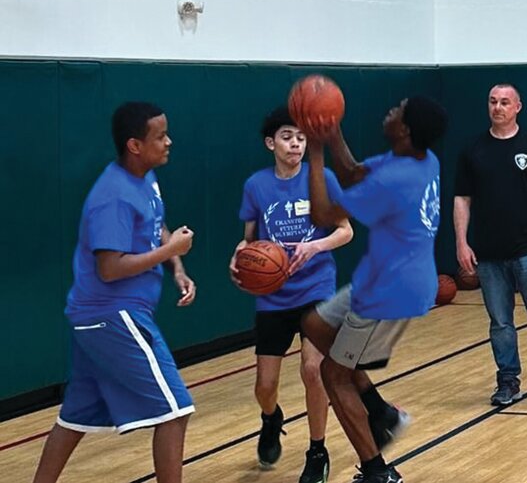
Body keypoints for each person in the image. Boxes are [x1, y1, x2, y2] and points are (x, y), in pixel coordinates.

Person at [32, 102, 197, 483]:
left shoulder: (146, 179)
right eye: (160, 136)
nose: (169, 141)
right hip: (112, 314)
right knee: (175, 410)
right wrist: (170, 251)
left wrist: (177, 268)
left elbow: (155, 223)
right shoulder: (113, 196)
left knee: (73, 418)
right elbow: (110, 269)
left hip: (95, 320)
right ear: (135, 145)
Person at [300, 95, 448, 483]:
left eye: (397, 110)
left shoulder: (394, 178)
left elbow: (324, 215)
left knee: (333, 374)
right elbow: (350, 173)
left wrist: (314, 154)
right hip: (384, 278)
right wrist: (333, 135)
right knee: (315, 326)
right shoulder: (419, 159)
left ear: (405, 130)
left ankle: (377, 472)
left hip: (390, 292)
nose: (390, 111)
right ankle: (381, 412)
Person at [229, 105, 353, 482]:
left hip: (316, 287)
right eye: (287, 137)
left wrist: (315, 247)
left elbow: (346, 231)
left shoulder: (324, 179)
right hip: (273, 296)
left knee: (313, 369)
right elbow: (249, 241)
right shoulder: (256, 185)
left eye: (301, 138)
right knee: (265, 386)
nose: (296, 144)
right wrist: (238, 257)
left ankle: (317, 450)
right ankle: (271, 417)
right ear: (271, 143)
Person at [453, 83, 527, 409]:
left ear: (518, 106)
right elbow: (462, 200)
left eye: (505, 102)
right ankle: (508, 382)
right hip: (489, 254)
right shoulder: (473, 150)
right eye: (492, 101)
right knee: (501, 324)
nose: (498, 107)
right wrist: (461, 242)